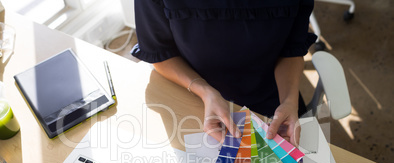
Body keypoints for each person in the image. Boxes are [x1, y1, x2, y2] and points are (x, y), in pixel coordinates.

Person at [131, 0, 317, 146]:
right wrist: (206, 92)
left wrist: (289, 101)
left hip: (272, 95)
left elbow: (291, 50)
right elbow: (160, 54)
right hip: (191, 95)